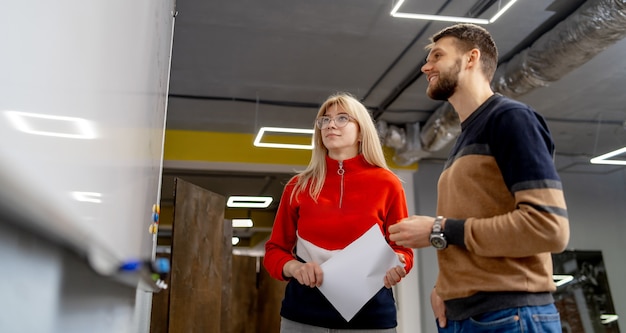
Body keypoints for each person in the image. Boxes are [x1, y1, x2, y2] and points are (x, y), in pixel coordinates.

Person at [388, 23, 570, 333]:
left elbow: (549, 228)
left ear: (471, 58)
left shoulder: (511, 119)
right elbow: (475, 225)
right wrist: (446, 287)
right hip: (464, 317)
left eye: (437, 56)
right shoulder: (466, 136)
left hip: (509, 317)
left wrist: (437, 228)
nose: (425, 67)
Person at [264, 92, 414, 332]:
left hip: (371, 318)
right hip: (303, 316)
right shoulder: (298, 186)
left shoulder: (388, 184)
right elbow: (275, 251)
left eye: (342, 118)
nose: (330, 124)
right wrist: (295, 268)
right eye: (324, 120)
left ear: (362, 131)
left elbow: (403, 250)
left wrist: (399, 265)